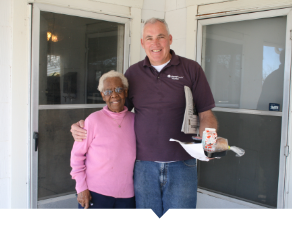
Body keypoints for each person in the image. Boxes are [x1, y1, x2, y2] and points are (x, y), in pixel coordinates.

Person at [71, 18, 218, 217]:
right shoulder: (133, 73)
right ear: (142, 43)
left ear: (170, 39)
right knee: (146, 219)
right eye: (149, 38)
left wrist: (209, 144)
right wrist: (84, 125)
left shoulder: (191, 69)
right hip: (143, 166)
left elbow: (206, 113)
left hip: (182, 164)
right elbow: (115, 111)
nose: (155, 44)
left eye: (161, 37)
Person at [70, 70, 136, 209]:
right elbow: (77, 156)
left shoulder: (135, 120)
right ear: (102, 96)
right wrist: (81, 188)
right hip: (95, 193)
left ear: (125, 92)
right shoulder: (93, 120)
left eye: (118, 89)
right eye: (108, 92)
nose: (114, 95)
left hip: (127, 196)